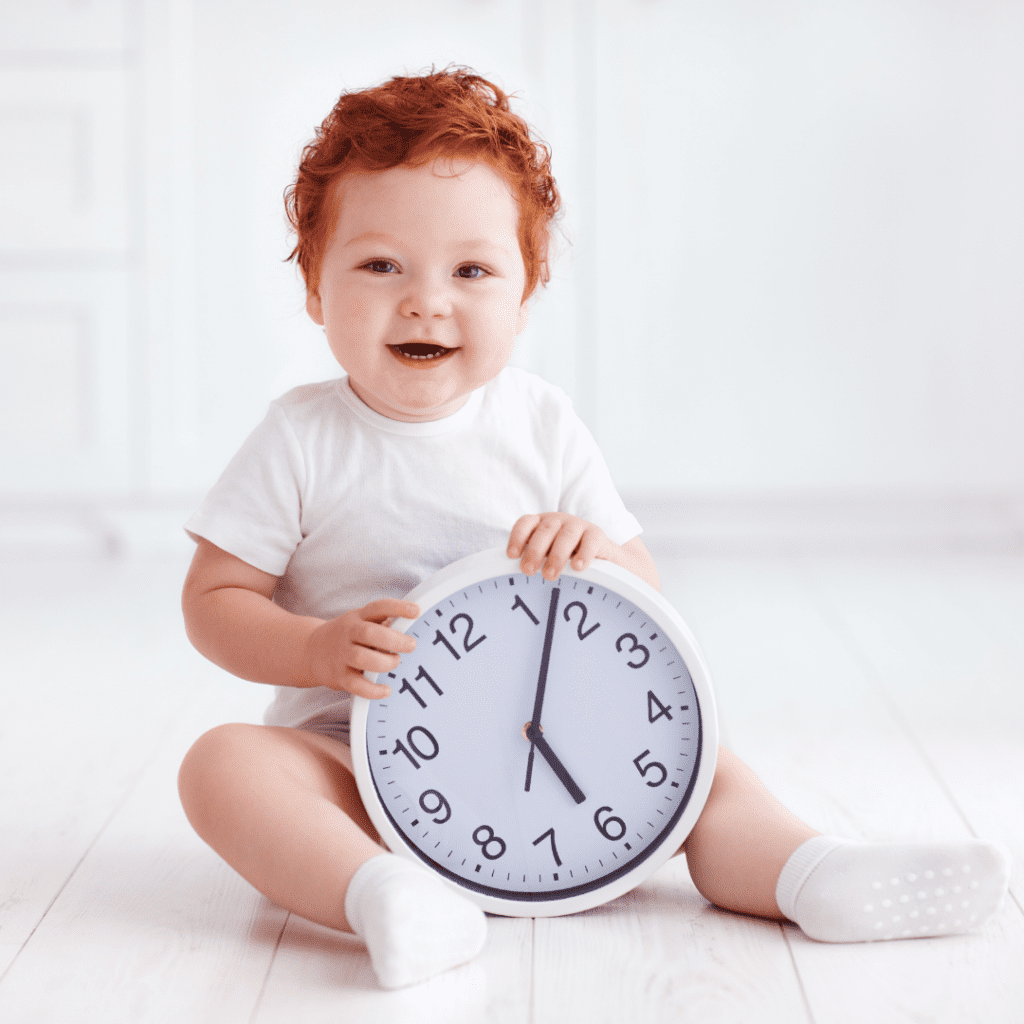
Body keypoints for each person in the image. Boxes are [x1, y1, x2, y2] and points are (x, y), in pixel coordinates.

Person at [177, 68, 1009, 990]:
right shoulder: (300, 438)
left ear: (526, 296)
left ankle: (812, 872)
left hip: (570, 746)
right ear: (313, 287)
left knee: (708, 776)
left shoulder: (541, 425)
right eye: (380, 265)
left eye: (472, 270)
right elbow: (215, 602)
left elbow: (642, 584)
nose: (425, 300)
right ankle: (383, 896)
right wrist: (317, 648)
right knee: (225, 767)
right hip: (353, 765)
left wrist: (599, 553)